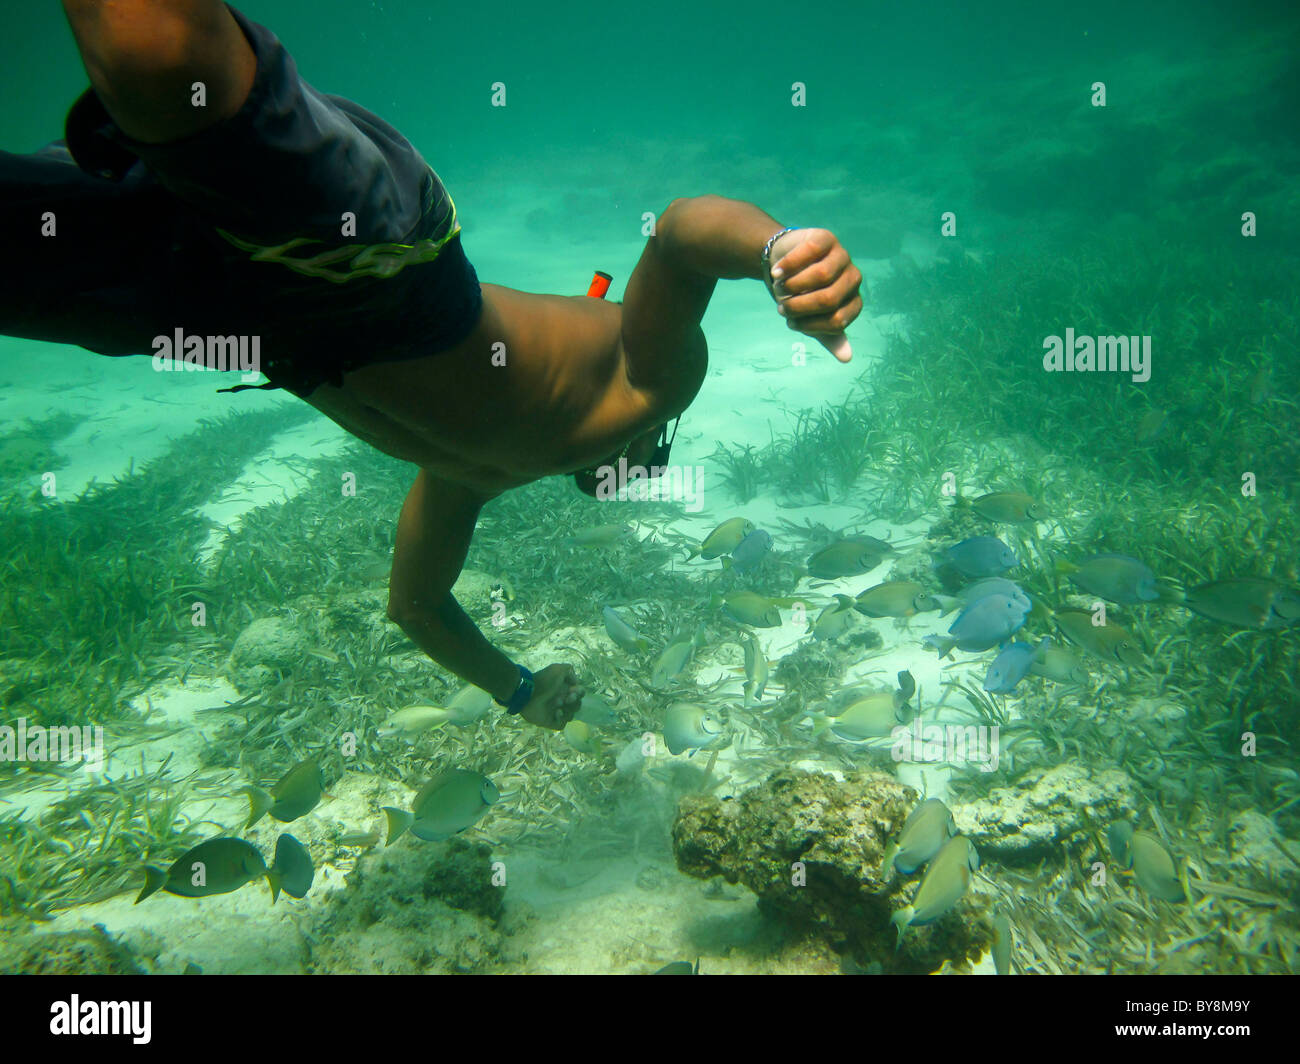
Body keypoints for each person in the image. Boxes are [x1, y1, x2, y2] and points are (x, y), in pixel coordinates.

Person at [4, 1, 864, 730]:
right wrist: (779, 250)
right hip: (385, 273)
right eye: (654, 466)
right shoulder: (653, 384)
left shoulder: (464, 482)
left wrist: (519, 690)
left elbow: (415, 608)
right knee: (161, 65)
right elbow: (681, 234)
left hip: (244, 321)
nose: (630, 481)